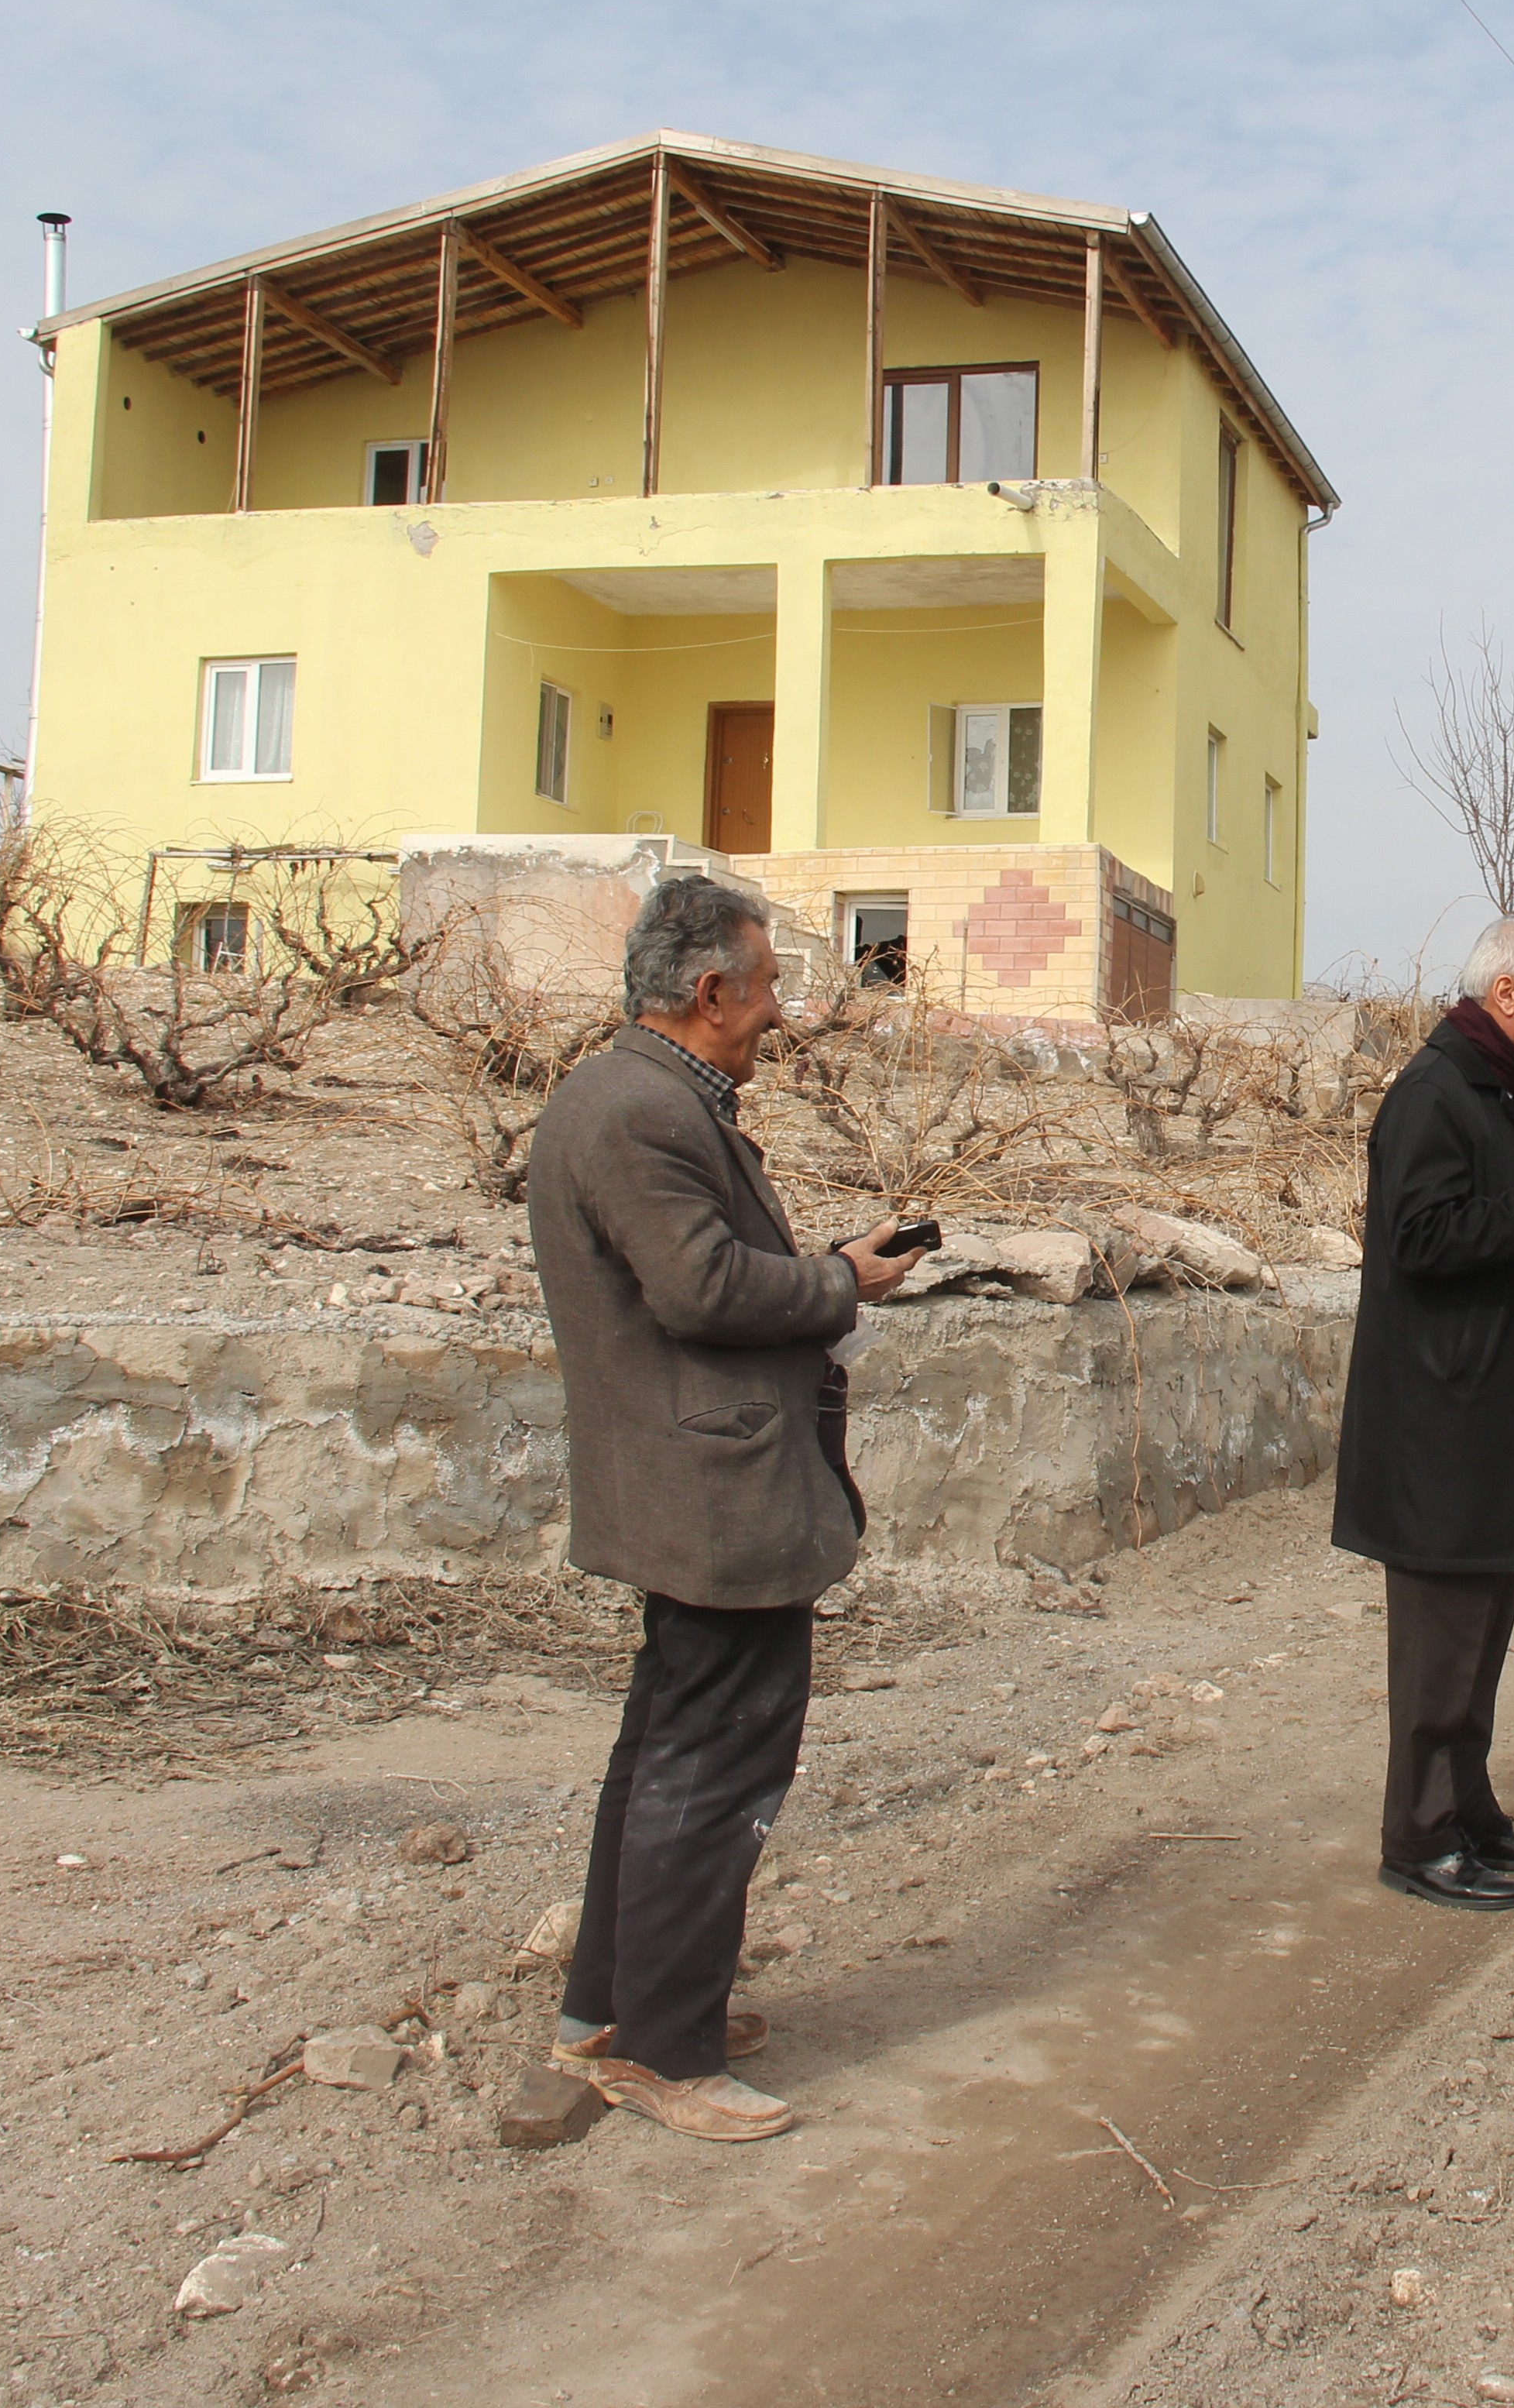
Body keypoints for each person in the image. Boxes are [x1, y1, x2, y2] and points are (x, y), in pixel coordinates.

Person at [524, 871, 925, 2137]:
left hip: (695, 1479)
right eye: (763, 989)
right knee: (710, 1765)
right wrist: (839, 1282)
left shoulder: (639, 1095)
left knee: (668, 1754)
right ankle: (664, 2051)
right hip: (711, 1492)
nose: (777, 1014)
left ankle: (620, 2007)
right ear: (709, 992)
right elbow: (699, 1289)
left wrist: (824, 1277)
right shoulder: (639, 1110)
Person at [1331, 913, 1514, 1912]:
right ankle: (1417, 1837)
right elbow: (1426, 1240)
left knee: (1481, 1638)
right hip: (1443, 1430)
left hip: (1493, 1421)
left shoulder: (1498, 1088)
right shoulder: (1433, 1095)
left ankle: (1469, 1811)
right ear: (1507, 994)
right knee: (1441, 1648)